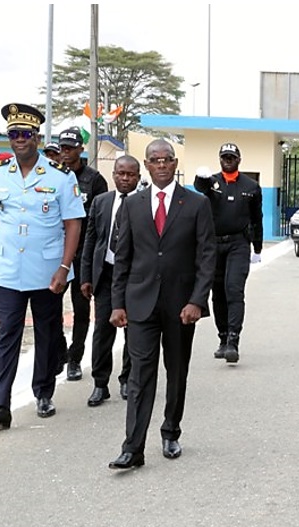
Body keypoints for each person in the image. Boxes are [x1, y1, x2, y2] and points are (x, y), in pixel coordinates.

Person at [0, 103, 84, 427]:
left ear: (35, 137)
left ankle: (43, 392)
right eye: (14, 134)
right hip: (6, 267)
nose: (20, 139)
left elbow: (73, 224)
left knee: (47, 331)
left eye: (25, 134)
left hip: (47, 267)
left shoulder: (61, 177)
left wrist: (64, 267)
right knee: (8, 333)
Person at [108, 139, 216, 469]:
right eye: (155, 160)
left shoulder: (196, 204)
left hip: (181, 307)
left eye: (167, 159)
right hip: (140, 304)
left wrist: (197, 300)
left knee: (176, 371)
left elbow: (207, 256)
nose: (161, 165)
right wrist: (117, 304)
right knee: (140, 375)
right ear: (147, 164)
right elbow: (122, 257)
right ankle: (133, 448)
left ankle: (171, 431)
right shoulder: (133, 204)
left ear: (174, 162)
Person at [193, 143, 263, 364]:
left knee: (233, 289)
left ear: (239, 160)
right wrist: (200, 176)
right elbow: (199, 187)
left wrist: (258, 247)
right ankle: (223, 338)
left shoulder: (250, 186)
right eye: (224, 157)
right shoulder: (211, 182)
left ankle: (234, 340)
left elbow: (256, 218)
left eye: (232, 157)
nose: (228, 160)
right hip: (214, 245)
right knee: (218, 293)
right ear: (220, 159)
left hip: (238, 244)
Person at [80, 155, 140, 407]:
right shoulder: (101, 202)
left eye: (130, 175)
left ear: (138, 177)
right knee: (102, 332)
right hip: (105, 274)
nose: (124, 179)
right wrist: (86, 276)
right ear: (113, 174)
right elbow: (90, 240)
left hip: (135, 277)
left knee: (133, 332)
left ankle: (127, 379)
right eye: (120, 173)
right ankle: (100, 384)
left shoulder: (145, 203)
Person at [58, 126, 109, 381]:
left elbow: (101, 219)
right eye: (62, 148)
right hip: (55, 253)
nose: (66, 153)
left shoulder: (94, 179)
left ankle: (75, 358)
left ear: (80, 149)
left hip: (82, 255)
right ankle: (58, 351)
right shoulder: (52, 177)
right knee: (51, 307)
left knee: (81, 309)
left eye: (71, 148)